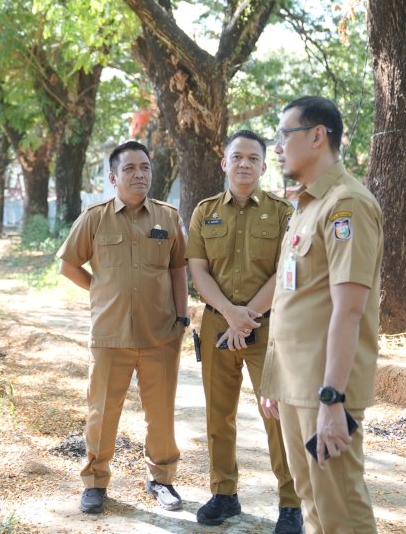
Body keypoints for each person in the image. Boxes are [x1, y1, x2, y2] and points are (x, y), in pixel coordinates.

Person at [259, 96, 383, 533]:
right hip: (295, 387)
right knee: (311, 501)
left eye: (283, 136)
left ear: (317, 136)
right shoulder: (307, 205)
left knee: (340, 510)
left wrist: (332, 399)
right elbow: (293, 299)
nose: (276, 147)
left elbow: (349, 312)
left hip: (324, 393)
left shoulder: (346, 205)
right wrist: (274, 380)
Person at [57, 140, 189, 514]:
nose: (139, 174)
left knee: (161, 413)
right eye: (130, 168)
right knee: (102, 410)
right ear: (114, 177)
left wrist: (181, 317)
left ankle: (162, 480)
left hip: (160, 333)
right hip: (110, 335)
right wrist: (99, 290)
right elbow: (69, 266)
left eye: (145, 167)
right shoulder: (94, 218)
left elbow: (178, 269)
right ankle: (96, 481)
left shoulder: (167, 217)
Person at [186, 130, 302, 532]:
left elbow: (287, 271)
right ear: (225, 163)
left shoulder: (283, 212)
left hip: (266, 328)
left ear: (264, 166)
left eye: (253, 158)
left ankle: (291, 503)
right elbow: (198, 270)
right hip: (218, 326)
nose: (245, 164)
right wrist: (228, 313)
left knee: (278, 415)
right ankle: (224, 494)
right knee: (219, 415)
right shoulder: (204, 212)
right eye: (237, 157)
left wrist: (246, 315)